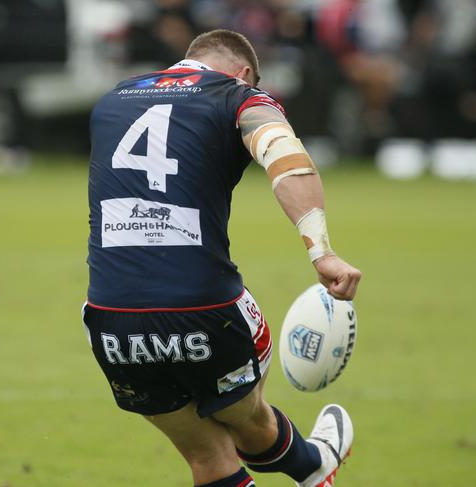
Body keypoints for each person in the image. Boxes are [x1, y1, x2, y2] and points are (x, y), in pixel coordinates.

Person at [83, 29, 362, 487]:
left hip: (112, 319)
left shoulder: (113, 99)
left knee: (209, 455)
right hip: (205, 310)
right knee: (246, 417)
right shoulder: (239, 97)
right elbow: (286, 159)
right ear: (245, 72)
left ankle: (313, 467)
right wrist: (322, 252)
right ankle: (313, 464)